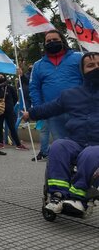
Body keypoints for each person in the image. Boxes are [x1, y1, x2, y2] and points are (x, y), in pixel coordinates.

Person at [22, 52, 99, 216]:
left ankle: (78, 198)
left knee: (90, 154)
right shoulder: (71, 94)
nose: (96, 68)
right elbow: (50, 108)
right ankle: (57, 196)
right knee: (58, 145)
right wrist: (30, 114)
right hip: (76, 141)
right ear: (82, 71)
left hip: (97, 145)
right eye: (91, 65)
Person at [29, 29, 82, 160]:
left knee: (83, 145)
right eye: (49, 41)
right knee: (63, 146)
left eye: (55, 40)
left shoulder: (79, 57)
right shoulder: (38, 65)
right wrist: (40, 109)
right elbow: (34, 88)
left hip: (78, 110)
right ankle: (67, 174)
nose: (52, 42)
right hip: (53, 113)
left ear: (63, 41)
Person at [0, 74, 28, 150]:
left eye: (1, 77)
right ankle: (1, 143)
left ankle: (18, 144)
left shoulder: (10, 88)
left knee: (12, 127)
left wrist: (10, 106)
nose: (0, 78)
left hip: (9, 111)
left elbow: (15, 98)